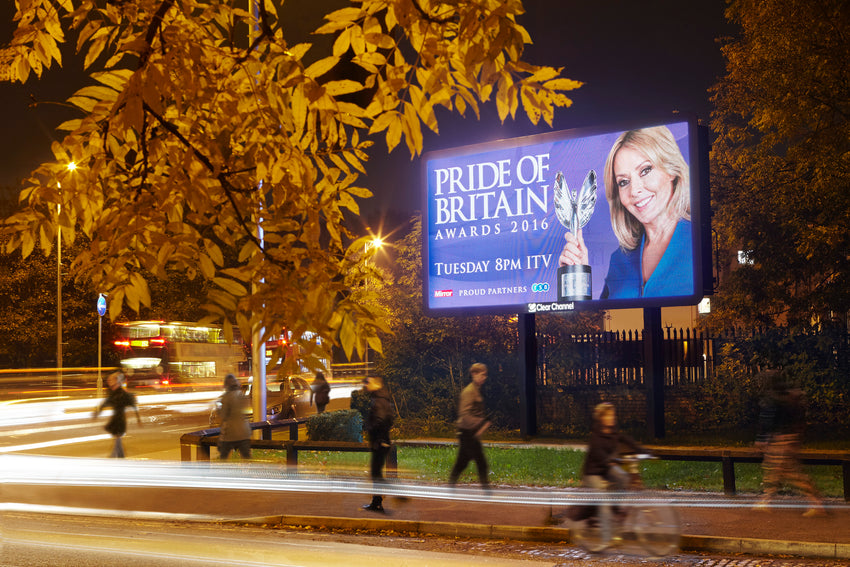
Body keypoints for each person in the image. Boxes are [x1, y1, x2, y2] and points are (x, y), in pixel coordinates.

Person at [559, 125, 693, 299]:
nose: (635, 190)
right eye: (623, 182)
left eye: (645, 171)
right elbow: (598, 319)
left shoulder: (696, 242)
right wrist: (578, 273)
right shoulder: (620, 260)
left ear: (671, 170)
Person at [754, 369, 825, 517]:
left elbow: (768, 419)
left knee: (787, 472)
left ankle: (816, 502)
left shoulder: (773, 398)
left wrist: (762, 439)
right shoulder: (791, 397)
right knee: (778, 470)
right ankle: (766, 500)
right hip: (790, 438)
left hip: (779, 440)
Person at [448, 363, 491, 489]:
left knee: (463, 462)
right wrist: (481, 422)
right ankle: (486, 492)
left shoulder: (476, 390)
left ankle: (450, 485)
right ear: (474, 374)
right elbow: (464, 414)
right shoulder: (469, 391)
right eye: (482, 375)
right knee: (480, 462)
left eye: (485, 375)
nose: (484, 378)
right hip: (466, 433)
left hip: (471, 433)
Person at [362, 376, 394, 513]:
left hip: (379, 442)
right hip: (382, 441)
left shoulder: (378, 400)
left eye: (367, 383)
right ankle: (376, 503)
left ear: (374, 384)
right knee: (376, 473)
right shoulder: (383, 398)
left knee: (376, 474)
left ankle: (396, 493)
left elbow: (380, 420)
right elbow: (390, 419)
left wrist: (371, 428)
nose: (365, 386)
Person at [93, 372, 141, 458]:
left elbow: (133, 404)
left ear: (116, 381)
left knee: (117, 438)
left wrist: (138, 419)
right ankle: (119, 457)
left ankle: (115, 458)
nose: (109, 381)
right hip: (116, 419)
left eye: (111, 380)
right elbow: (106, 402)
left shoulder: (121, 393)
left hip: (120, 420)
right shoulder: (114, 392)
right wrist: (98, 411)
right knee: (117, 438)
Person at [217, 373, 252, 460]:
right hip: (244, 432)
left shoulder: (225, 397)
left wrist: (218, 409)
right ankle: (250, 472)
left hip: (230, 433)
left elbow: (223, 415)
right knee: (246, 457)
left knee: (223, 456)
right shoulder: (242, 395)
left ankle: (223, 472)